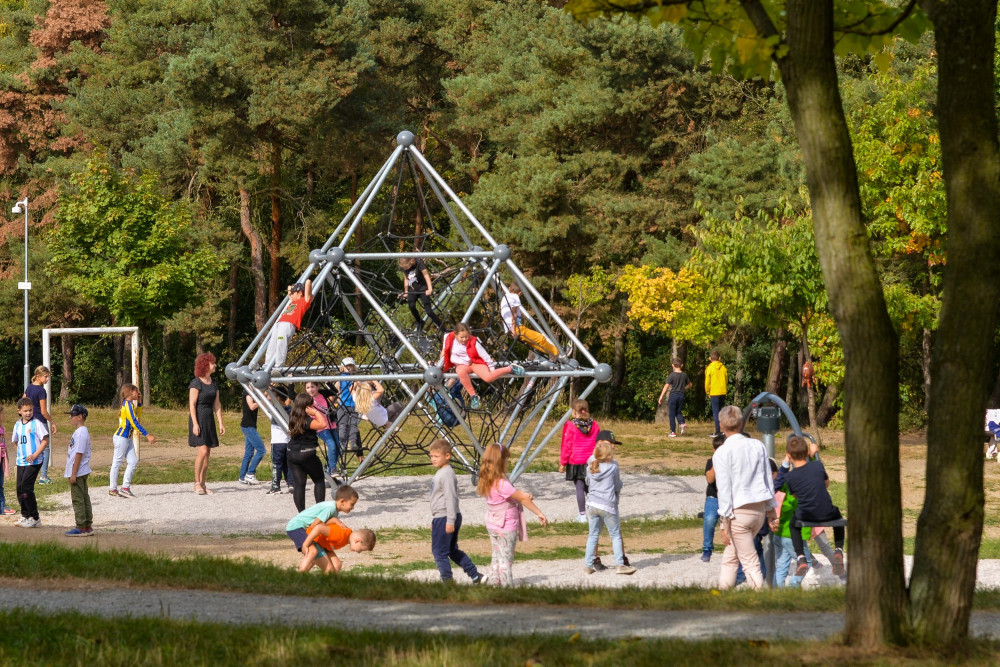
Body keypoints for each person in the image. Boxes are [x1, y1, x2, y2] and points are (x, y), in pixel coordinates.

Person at [713, 405, 777, 590]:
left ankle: (759, 600)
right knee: (731, 557)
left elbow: (724, 489)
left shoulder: (722, 452)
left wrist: (724, 522)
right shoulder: (757, 445)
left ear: (721, 425)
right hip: (758, 510)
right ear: (741, 424)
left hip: (738, 513)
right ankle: (722, 595)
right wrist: (771, 509)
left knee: (749, 561)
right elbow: (767, 478)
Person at [476, 442, 548, 586]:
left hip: (493, 525)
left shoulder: (487, 480)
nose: (507, 464)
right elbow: (522, 499)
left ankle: (494, 585)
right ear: (501, 461)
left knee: (496, 558)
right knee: (505, 561)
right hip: (505, 527)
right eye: (506, 460)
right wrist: (539, 513)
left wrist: (523, 494)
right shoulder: (502, 483)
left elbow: (514, 494)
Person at [775, 435, 846, 577]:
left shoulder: (789, 477)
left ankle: (801, 557)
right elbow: (826, 484)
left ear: (789, 455)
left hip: (806, 514)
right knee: (838, 518)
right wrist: (813, 456)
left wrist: (785, 464)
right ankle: (838, 549)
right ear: (807, 452)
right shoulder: (818, 465)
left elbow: (794, 495)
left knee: (794, 525)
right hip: (827, 512)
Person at [428, 439, 482, 584]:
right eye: (431, 456)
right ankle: (476, 576)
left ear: (447, 456)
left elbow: (450, 497)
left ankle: (448, 583)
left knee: (439, 553)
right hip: (441, 517)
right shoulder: (442, 472)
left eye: (436, 456)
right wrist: (435, 520)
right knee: (451, 550)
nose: (433, 459)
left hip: (446, 517)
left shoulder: (446, 474)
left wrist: (450, 520)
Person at [440, 323, 524, 411]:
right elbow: (448, 355)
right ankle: (473, 396)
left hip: (475, 362)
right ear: (456, 335)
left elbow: (485, 356)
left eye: (466, 336)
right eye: (462, 337)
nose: (464, 339)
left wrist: (492, 369)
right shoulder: (449, 340)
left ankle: (510, 368)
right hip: (463, 365)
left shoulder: (473, 342)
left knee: (488, 378)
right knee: (460, 371)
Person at [583, 442, 636, 575]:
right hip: (607, 505)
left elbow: (587, 482)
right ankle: (620, 564)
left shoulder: (591, 465)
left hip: (592, 504)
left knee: (593, 535)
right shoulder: (613, 466)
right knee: (615, 534)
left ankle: (588, 566)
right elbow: (617, 485)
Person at [108, 383, 156, 498]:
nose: (138, 393)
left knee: (133, 461)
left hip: (127, 438)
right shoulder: (127, 405)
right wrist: (147, 435)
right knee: (117, 462)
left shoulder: (129, 405)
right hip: (121, 437)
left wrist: (139, 402)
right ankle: (112, 489)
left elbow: (138, 415)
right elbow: (134, 422)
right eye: (136, 391)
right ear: (131, 392)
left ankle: (125, 487)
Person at [189, 352, 225, 495]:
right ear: (205, 365)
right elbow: (192, 404)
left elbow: (217, 404)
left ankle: (203, 484)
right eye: (212, 363)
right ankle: (196, 483)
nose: (215, 365)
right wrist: (195, 424)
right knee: (202, 451)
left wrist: (221, 422)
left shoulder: (214, 383)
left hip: (209, 419)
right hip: (198, 418)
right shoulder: (196, 383)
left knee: (207, 453)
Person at [285, 484, 359, 553]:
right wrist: (334, 521)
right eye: (352, 504)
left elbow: (322, 524)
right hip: (296, 526)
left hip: (302, 528)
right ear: (342, 501)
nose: (353, 507)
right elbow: (314, 525)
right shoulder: (330, 508)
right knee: (311, 551)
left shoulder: (334, 510)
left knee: (315, 551)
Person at [559, 399, 599, 523]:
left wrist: (563, 462)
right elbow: (598, 442)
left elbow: (567, 445)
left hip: (576, 461)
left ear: (574, 412)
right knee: (590, 488)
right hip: (591, 461)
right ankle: (596, 512)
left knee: (580, 488)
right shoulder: (594, 425)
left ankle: (582, 515)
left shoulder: (570, 426)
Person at [287, 392, 328, 512]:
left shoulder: (293, 417)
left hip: (292, 453)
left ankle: (302, 513)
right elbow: (323, 424)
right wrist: (315, 413)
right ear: (307, 407)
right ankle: (319, 511)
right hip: (306, 453)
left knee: (299, 484)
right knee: (319, 480)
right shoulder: (307, 421)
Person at [13, 397, 48, 528]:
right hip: (21, 462)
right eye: (25, 411)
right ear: (19, 411)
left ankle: (35, 517)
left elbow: (45, 440)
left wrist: (35, 455)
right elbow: (16, 441)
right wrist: (20, 454)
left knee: (27, 487)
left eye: (30, 410)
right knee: (19, 488)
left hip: (34, 461)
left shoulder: (36, 423)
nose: (28, 413)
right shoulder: (17, 425)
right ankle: (25, 515)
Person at [500, 283, 558, 359]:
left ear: (509, 288)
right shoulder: (515, 297)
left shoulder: (505, 297)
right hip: (516, 328)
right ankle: (557, 352)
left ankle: (553, 352)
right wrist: (514, 331)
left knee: (534, 343)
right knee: (539, 338)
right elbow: (514, 315)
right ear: (520, 292)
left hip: (509, 328)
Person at [265, 279, 313, 369]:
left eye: (293, 293)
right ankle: (267, 365)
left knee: (281, 343)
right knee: (272, 344)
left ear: (300, 293)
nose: (290, 294)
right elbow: (289, 288)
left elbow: (308, 282)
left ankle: (278, 366)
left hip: (288, 325)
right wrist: (294, 287)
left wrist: (304, 286)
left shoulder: (304, 301)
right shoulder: (292, 301)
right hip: (279, 324)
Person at [298, 522, 376, 574]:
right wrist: (306, 544)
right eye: (361, 550)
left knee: (337, 565)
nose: (359, 552)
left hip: (323, 545)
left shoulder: (346, 537)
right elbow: (319, 528)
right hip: (312, 541)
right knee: (329, 570)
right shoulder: (341, 534)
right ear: (358, 541)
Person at [64, 404, 94, 537]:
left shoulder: (81, 433)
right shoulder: (80, 432)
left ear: (80, 417)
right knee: (84, 497)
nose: (70, 418)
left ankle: (81, 526)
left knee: (78, 499)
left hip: (78, 471)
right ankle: (87, 525)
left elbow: (79, 453)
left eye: (72, 415)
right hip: (81, 470)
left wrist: (73, 473)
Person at [24, 365, 56, 484]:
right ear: (38, 376)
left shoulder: (29, 388)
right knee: (45, 448)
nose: (47, 379)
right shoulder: (41, 391)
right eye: (45, 377)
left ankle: (28, 474)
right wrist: (52, 421)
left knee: (32, 447)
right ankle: (43, 476)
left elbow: (22, 402)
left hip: (30, 421)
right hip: (40, 422)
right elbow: (43, 411)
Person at [398, 257, 444, 333]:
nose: (405, 268)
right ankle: (420, 321)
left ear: (411, 261)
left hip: (422, 289)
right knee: (411, 306)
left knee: (429, 311)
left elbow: (426, 275)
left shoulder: (419, 263)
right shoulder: (404, 267)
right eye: (404, 268)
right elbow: (406, 279)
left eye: (406, 267)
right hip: (412, 290)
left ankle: (442, 328)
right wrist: (406, 292)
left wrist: (430, 289)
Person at [305, 381, 339, 476]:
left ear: (318, 387)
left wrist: (327, 382)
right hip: (320, 427)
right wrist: (291, 383)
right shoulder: (306, 399)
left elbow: (334, 391)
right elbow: (293, 396)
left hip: (331, 424)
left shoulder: (322, 393)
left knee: (338, 448)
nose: (310, 390)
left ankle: (329, 468)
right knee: (332, 445)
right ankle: (333, 469)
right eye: (308, 387)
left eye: (312, 387)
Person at [701, 432, 726, 562]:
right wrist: (717, 463)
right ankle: (707, 548)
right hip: (714, 497)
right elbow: (710, 480)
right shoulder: (711, 462)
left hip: (729, 497)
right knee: (710, 519)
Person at [658, 357, 692, 437]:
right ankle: (682, 423)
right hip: (681, 395)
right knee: (678, 412)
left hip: (673, 396)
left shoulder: (672, 375)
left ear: (672, 365)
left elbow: (666, 386)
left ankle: (673, 431)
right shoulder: (684, 375)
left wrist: (661, 397)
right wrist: (684, 389)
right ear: (682, 365)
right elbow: (690, 384)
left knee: (672, 414)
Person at [337, 358, 363, 458]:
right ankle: (342, 444)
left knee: (353, 425)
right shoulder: (343, 377)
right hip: (343, 405)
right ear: (342, 368)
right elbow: (349, 387)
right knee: (343, 425)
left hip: (354, 405)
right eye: (347, 366)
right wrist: (357, 382)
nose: (349, 368)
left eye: (351, 366)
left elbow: (362, 384)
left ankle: (353, 442)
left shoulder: (355, 377)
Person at [238, 391, 266, 485]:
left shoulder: (254, 392)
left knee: (249, 452)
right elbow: (252, 406)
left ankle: (242, 477)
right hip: (248, 426)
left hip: (249, 426)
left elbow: (264, 394)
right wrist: (264, 400)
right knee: (261, 450)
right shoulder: (248, 393)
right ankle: (250, 474)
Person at [705, 350, 728, 437]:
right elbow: (726, 379)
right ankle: (724, 430)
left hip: (714, 392)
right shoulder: (723, 368)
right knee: (722, 411)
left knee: (716, 412)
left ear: (709, 358)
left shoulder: (709, 368)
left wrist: (708, 391)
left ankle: (718, 431)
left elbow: (707, 382)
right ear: (719, 358)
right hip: (722, 391)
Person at [0, 405, 12, 515]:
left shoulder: (2, 428)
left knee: (1, 483)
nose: (3, 416)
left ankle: (2, 506)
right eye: (1, 413)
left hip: (2, 458)